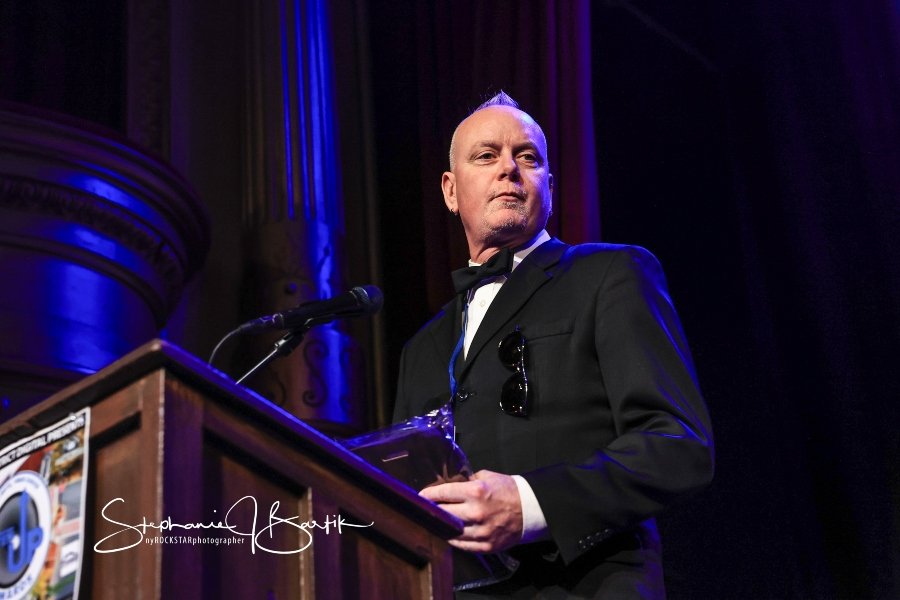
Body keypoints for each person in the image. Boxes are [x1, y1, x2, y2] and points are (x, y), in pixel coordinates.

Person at [392, 92, 714, 598]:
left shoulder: (610, 273)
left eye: (527, 157)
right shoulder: (421, 348)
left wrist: (530, 504)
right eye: (486, 155)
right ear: (451, 191)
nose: (509, 168)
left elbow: (677, 444)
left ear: (549, 185)